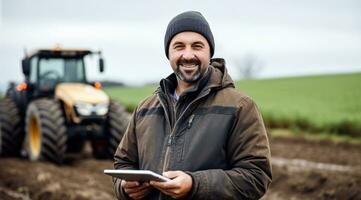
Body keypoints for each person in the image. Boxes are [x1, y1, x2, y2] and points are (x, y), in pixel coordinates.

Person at [113, 11, 272, 200]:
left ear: (209, 52)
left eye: (197, 46)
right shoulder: (145, 108)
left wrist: (195, 185)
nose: (188, 55)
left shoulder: (240, 107)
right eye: (179, 46)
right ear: (169, 53)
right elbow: (123, 163)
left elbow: (256, 177)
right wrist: (124, 188)